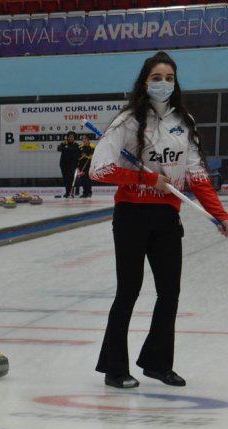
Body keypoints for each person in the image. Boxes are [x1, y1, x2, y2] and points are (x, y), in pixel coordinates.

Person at [89, 50, 228, 390]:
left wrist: (221, 216)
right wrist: (147, 179)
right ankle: (114, 368)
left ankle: (157, 363)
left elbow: (196, 176)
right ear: (145, 81)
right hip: (132, 217)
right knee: (129, 291)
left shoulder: (185, 121)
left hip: (167, 216)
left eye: (169, 78)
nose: (163, 83)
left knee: (170, 292)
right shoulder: (127, 121)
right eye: (156, 78)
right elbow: (100, 170)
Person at [58, 130, 80, 198]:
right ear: (67, 137)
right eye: (69, 137)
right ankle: (67, 192)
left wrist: (78, 165)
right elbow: (59, 149)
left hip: (72, 165)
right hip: (64, 165)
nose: (71, 138)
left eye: (72, 137)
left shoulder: (76, 145)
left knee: (71, 179)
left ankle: (71, 193)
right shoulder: (64, 143)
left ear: (74, 138)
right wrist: (63, 145)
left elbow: (78, 155)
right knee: (66, 179)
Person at [77, 134, 95, 198]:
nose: (83, 140)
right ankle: (85, 192)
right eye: (82, 139)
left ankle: (89, 192)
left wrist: (85, 154)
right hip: (82, 163)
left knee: (87, 178)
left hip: (88, 163)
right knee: (83, 178)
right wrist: (81, 155)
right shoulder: (80, 146)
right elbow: (78, 155)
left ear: (87, 139)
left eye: (84, 138)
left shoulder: (92, 146)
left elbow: (92, 154)